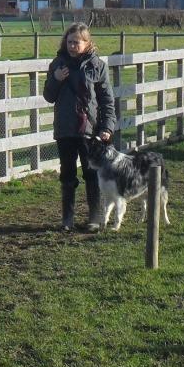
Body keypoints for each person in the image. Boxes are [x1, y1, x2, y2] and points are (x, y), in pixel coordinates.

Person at [43, 22, 117, 232]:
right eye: (69, 42)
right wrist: (56, 79)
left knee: (91, 173)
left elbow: (107, 101)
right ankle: (67, 219)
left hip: (89, 129)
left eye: (76, 42)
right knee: (67, 174)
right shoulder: (57, 64)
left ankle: (95, 218)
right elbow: (49, 96)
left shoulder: (98, 66)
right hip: (65, 129)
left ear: (87, 43)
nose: (72, 46)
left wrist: (107, 128)